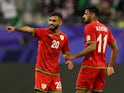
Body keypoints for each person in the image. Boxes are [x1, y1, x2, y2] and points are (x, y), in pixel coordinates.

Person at [5, 12, 73, 93]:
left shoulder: (64, 37)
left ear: (60, 22)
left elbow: (65, 52)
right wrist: (15, 28)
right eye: (50, 20)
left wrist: (68, 60)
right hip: (42, 72)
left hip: (55, 74)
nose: (51, 23)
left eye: (54, 21)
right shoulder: (43, 33)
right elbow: (28, 29)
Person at [66, 6, 118, 93]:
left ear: (93, 15)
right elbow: (115, 49)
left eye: (86, 14)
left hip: (90, 65)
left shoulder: (89, 26)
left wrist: (75, 56)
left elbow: (92, 47)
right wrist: (110, 66)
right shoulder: (105, 28)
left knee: (80, 91)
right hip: (102, 67)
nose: (83, 16)